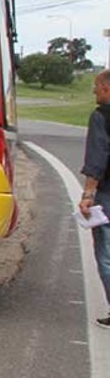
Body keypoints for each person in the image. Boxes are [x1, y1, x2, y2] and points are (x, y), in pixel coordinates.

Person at [79, 69, 110, 329]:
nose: (94, 91)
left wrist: (88, 194)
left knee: (107, 254)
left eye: (97, 87)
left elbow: (97, 159)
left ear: (107, 89)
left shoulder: (101, 117)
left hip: (108, 194)